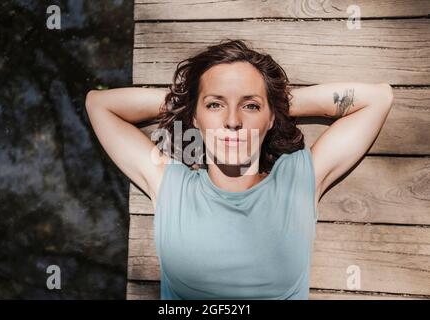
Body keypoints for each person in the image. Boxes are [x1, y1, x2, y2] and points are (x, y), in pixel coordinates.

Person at [85, 39, 394, 299]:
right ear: (195, 117)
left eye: (250, 106)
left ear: (270, 117)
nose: (233, 121)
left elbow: (377, 98)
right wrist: (186, 103)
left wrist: (276, 102)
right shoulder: (171, 185)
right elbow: (99, 104)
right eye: (215, 105)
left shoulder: (297, 181)